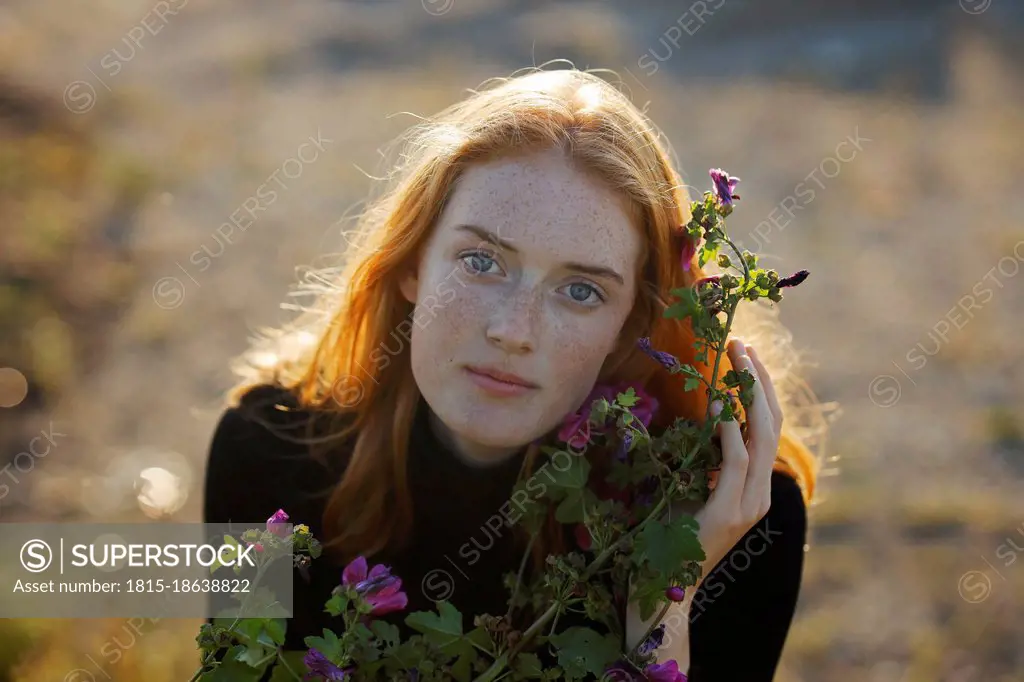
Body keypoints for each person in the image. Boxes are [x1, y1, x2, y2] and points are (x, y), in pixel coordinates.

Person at [203, 68, 824, 681]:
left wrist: (662, 603)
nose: (513, 330)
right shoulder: (268, 452)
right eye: (481, 260)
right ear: (412, 263)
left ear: (629, 325)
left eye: (580, 290)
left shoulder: (731, 525)